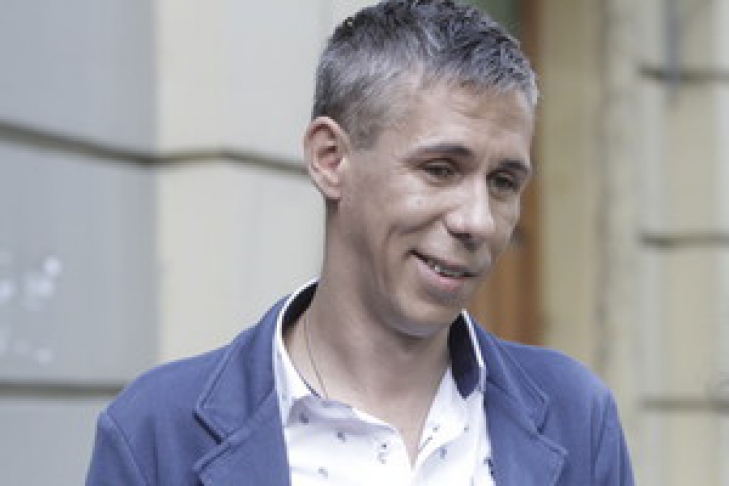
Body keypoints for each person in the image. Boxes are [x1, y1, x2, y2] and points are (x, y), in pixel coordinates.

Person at [87, 1, 634, 484]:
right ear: (331, 159)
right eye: (440, 169)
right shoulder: (157, 433)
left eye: (504, 182)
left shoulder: (577, 416)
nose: (479, 221)